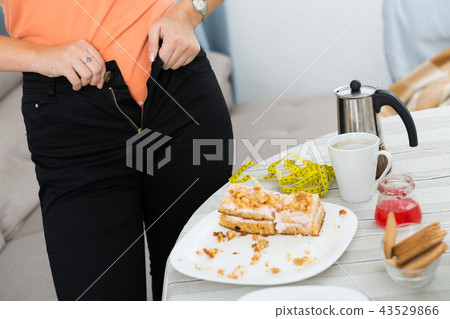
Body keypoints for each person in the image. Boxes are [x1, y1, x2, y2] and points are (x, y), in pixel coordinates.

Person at [0, 0, 232, 301]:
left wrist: (187, 13)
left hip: (178, 91)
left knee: (201, 292)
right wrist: (41, 57)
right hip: (72, 120)